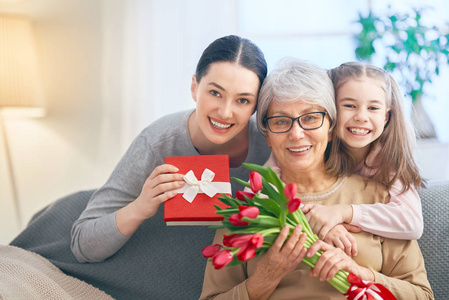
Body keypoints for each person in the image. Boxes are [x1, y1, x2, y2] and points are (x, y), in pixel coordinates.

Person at [200, 58, 433, 299]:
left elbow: (423, 295)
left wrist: (361, 275)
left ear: (331, 128)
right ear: (267, 136)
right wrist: (264, 279)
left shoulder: (379, 197)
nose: (296, 134)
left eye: (310, 118)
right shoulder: (248, 206)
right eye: (281, 121)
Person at [71, 35, 271, 263]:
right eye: (215, 93)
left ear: (256, 106)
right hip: (154, 254)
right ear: (194, 87)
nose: (225, 112)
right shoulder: (156, 143)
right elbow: (82, 244)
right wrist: (139, 207)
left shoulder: (271, 142)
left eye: (243, 100)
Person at [263, 62, 424, 257]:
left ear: (386, 117)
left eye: (373, 108)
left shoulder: (387, 159)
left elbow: (412, 223)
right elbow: (259, 194)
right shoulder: (307, 146)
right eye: (349, 105)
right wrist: (318, 222)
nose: (361, 117)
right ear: (331, 111)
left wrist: (344, 212)